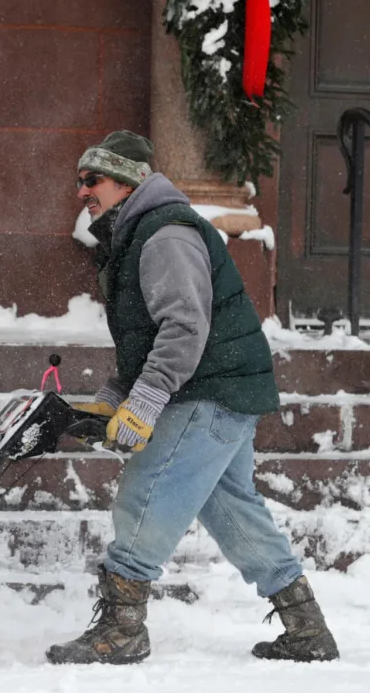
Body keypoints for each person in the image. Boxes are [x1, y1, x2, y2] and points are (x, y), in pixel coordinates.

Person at [45, 131, 339, 665]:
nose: (83, 192)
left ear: (127, 181)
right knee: (233, 511)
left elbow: (183, 328)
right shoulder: (140, 235)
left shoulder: (164, 236)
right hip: (224, 387)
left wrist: (145, 401)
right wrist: (115, 396)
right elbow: (147, 338)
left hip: (206, 391)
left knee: (146, 493)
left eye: (94, 181)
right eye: (79, 181)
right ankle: (306, 629)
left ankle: (123, 630)